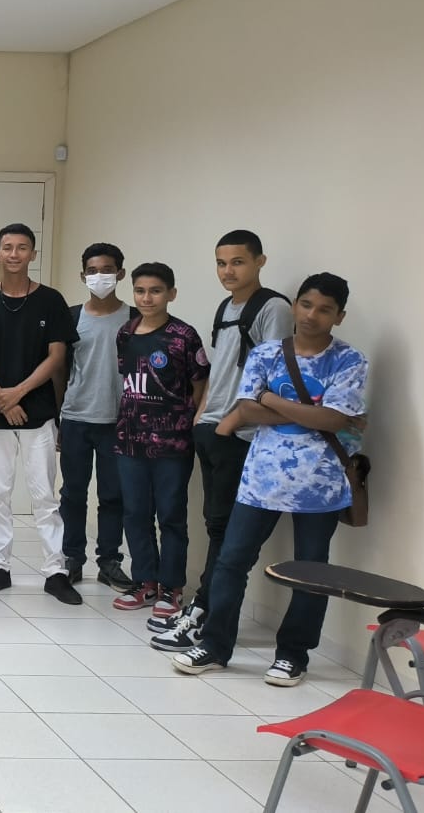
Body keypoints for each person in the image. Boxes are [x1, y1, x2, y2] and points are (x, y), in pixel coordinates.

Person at [173, 274, 367, 687]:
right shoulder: (265, 354)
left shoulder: (349, 361)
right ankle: (214, 646)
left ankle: (293, 655)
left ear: (339, 316)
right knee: (231, 561)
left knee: (311, 573)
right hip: (261, 479)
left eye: (325, 309)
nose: (312, 315)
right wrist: (308, 409)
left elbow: (334, 420)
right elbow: (245, 410)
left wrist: (271, 399)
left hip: (321, 485)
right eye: (307, 305)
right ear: (295, 305)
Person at [152, 230, 293, 651]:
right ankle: (202, 608)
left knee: (229, 532)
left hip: (242, 434)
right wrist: (203, 418)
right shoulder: (226, 306)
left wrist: (231, 422)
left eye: (238, 262)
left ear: (260, 262)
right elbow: (220, 369)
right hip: (212, 428)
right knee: (217, 526)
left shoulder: (273, 308)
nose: (228, 271)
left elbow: (274, 376)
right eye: (221, 263)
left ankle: (207, 613)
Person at [0, 223, 81, 604]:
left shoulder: (51, 300)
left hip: (39, 411)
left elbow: (57, 356)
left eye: (22, 248)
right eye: (7, 247)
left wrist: (18, 393)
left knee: (44, 495)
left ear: (33, 254)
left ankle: (55, 571)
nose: (14, 254)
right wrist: (0, 395)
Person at [110, 263, 208, 625]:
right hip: (129, 439)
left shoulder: (184, 336)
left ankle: (171, 587)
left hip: (172, 442)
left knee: (170, 514)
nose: (146, 298)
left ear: (171, 294)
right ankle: (144, 581)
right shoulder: (125, 333)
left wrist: (191, 419)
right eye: (140, 291)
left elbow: (200, 384)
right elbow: (128, 379)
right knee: (134, 513)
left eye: (155, 291)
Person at [56, 243, 135, 591]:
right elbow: (61, 370)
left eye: (106, 270)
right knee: (73, 493)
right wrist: (58, 417)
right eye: (92, 270)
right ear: (82, 275)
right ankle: (72, 557)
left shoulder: (135, 318)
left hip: (119, 421)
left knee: (113, 495)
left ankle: (110, 561)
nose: (98, 276)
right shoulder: (71, 318)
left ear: (120, 273)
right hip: (76, 417)